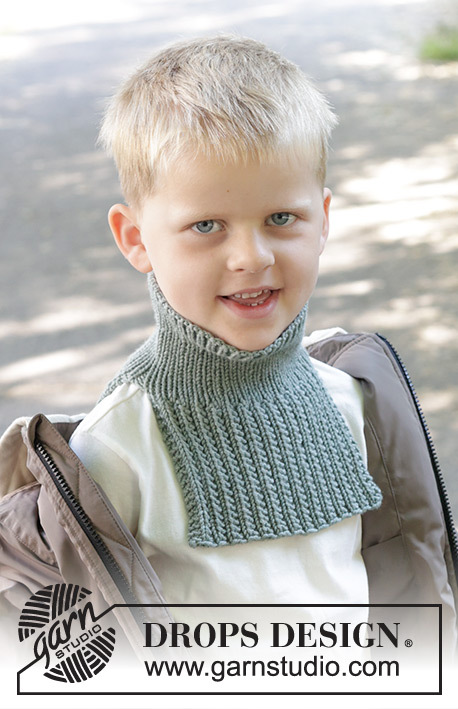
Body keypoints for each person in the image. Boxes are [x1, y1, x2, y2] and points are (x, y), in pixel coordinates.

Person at [0, 35, 457, 665]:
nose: (251, 256)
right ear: (136, 239)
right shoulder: (116, 446)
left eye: (281, 218)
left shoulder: (355, 399)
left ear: (324, 220)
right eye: (206, 226)